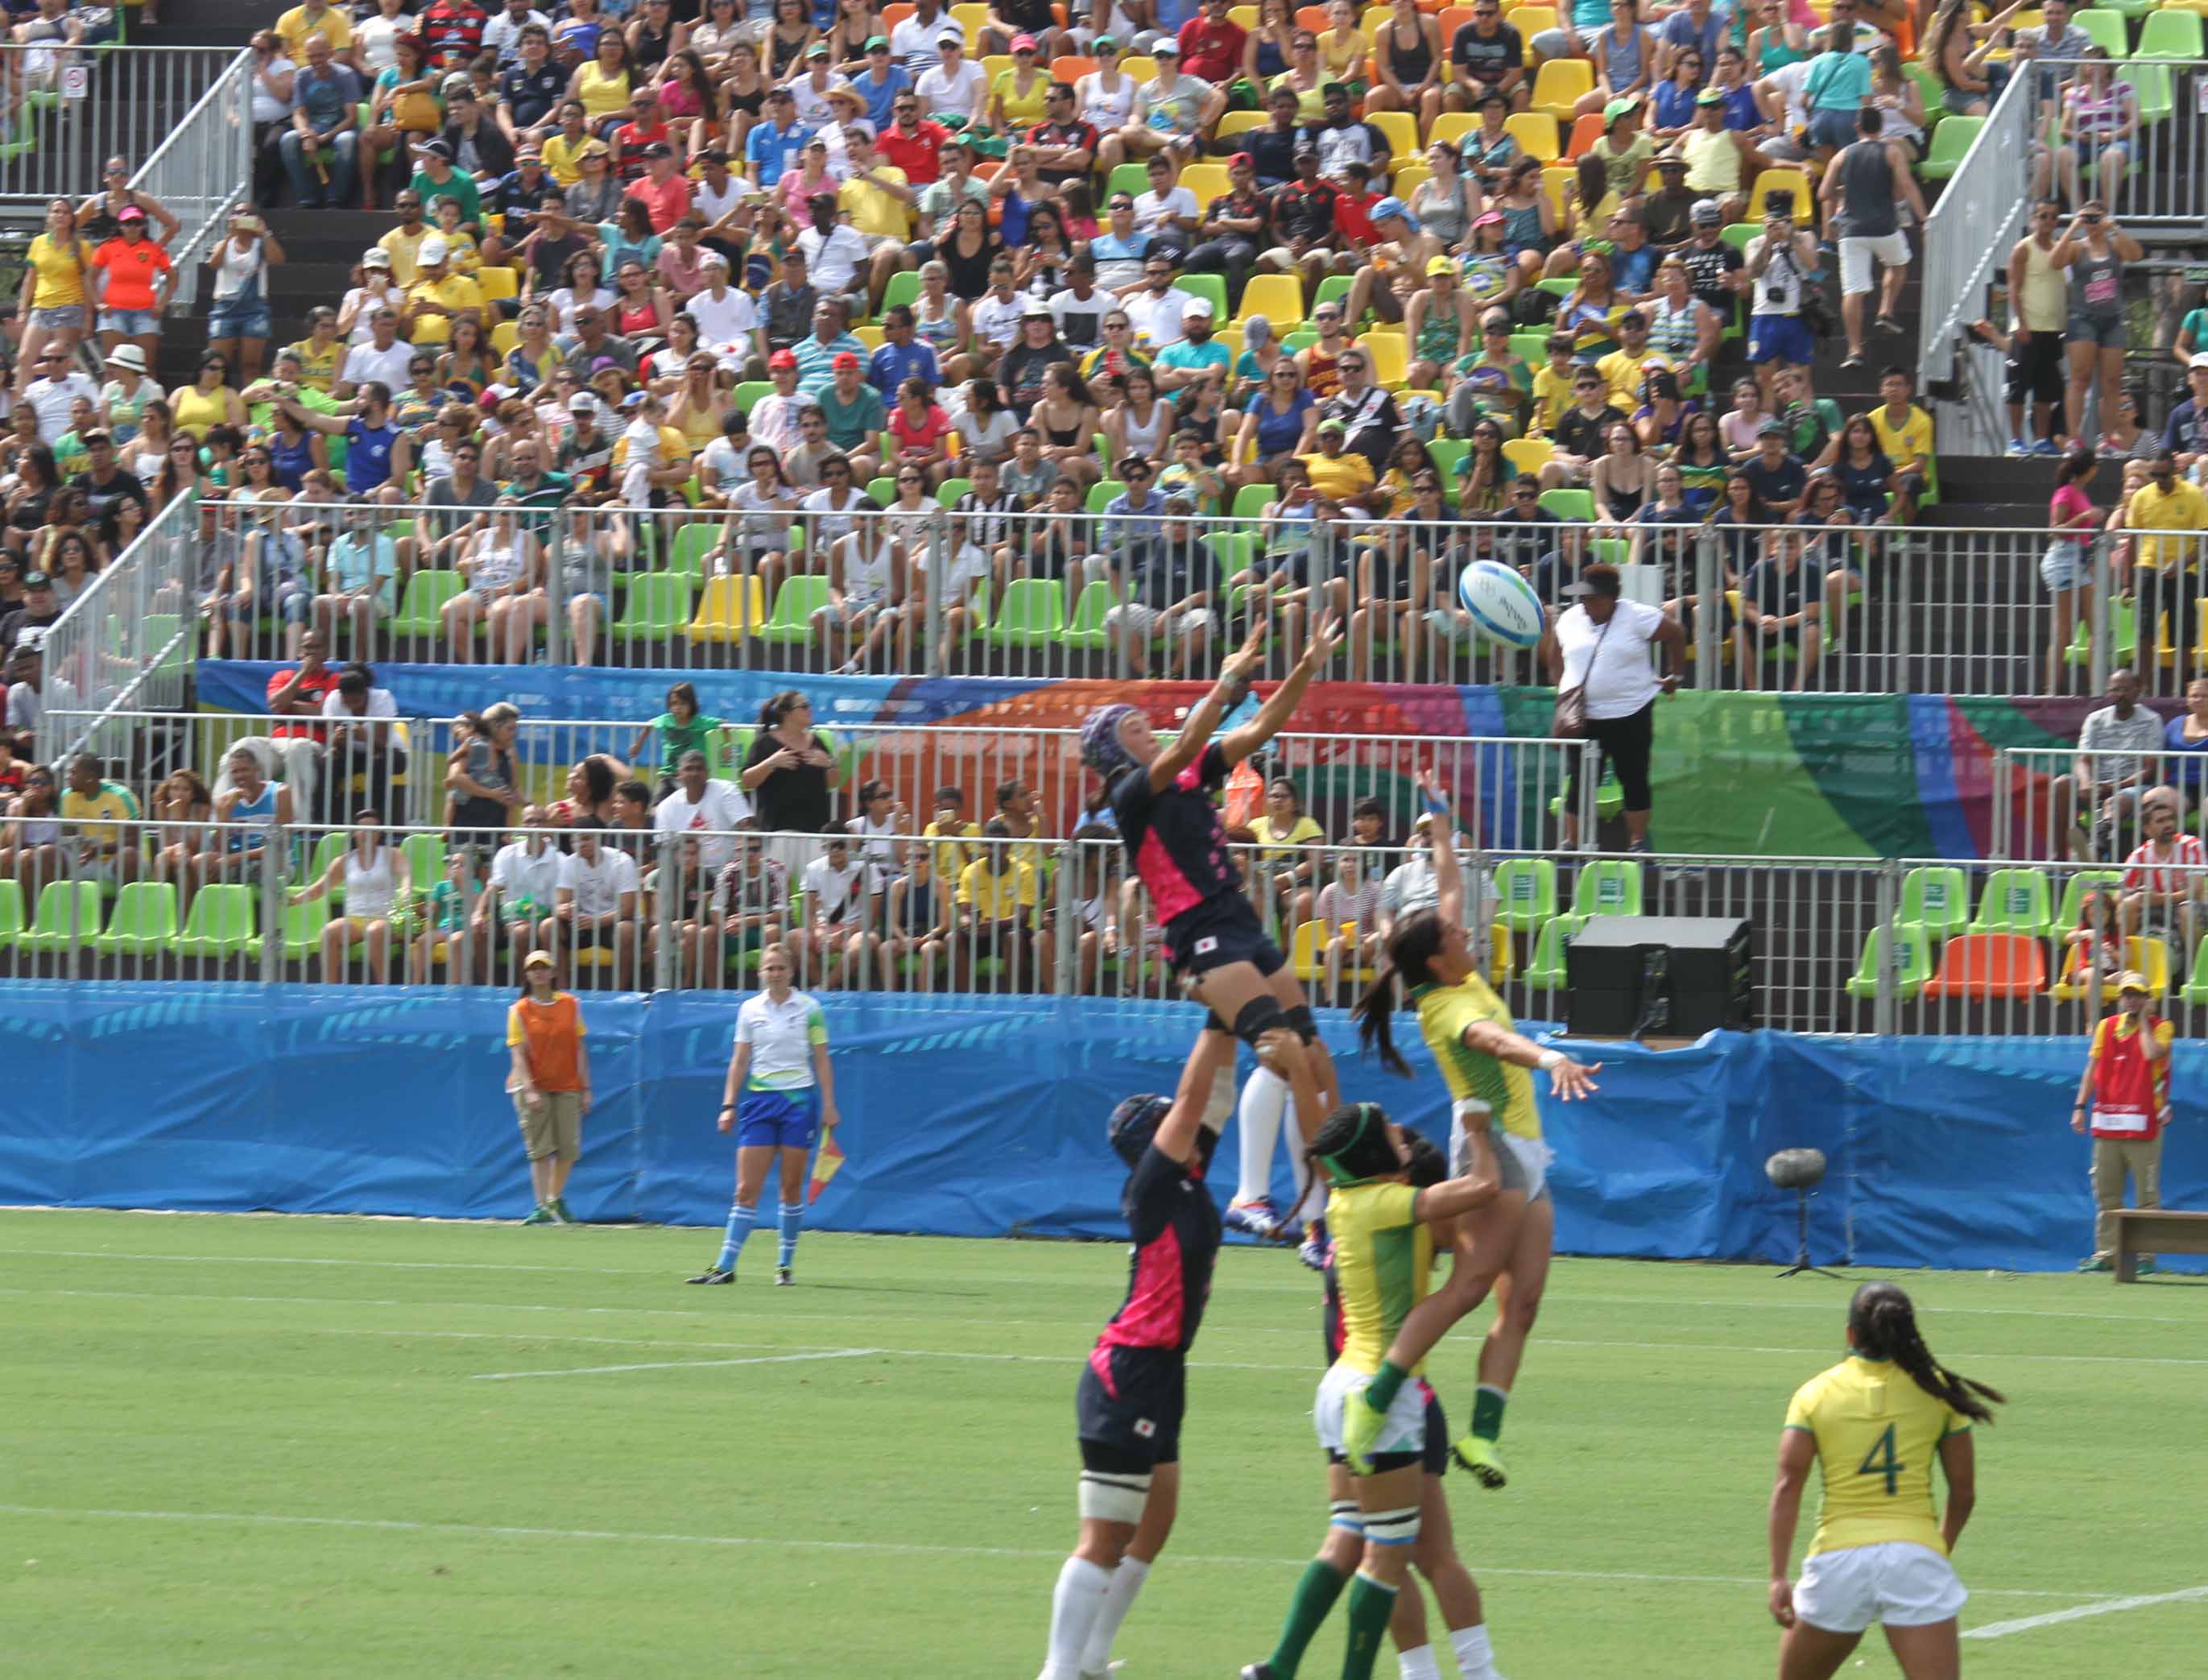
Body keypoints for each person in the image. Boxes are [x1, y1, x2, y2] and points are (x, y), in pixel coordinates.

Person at [1081, 619, 1346, 1241]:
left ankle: (1309, 1217)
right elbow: (1185, 745)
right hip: (1199, 933)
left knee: (1315, 1058)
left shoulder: (1188, 772)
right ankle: (1322, 1215)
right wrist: (1226, 684)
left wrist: (1306, 665)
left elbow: (1258, 730)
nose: (1148, 729)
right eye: (1133, 729)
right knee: (1282, 1055)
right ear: (1117, 753)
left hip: (1239, 921)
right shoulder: (1130, 792)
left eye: (1143, 723)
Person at [1239, 1097, 1504, 1680]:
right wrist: (1480, 1132)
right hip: (1382, 1393)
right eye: (1392, 1134)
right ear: (1377, 1157)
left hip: (1338, 1385)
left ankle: (1285, 1665)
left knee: (1354, 1539)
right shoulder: (1389, 1203)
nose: (1399, 1136)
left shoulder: (1345, 1200)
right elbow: (1484, 1188)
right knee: (1389, 1558)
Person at [1031, 1028, 1237, 1680]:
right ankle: (1059, 1672)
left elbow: (1217, 1095)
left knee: (1159, 1513)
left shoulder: (1185, 1180)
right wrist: (1218, 1015)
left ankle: (1092, 1657)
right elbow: (1195, 1092)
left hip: (1162, 1368)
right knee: (1106, 1535)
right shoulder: (1155, 1182)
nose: (1193, 1125)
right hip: (1129, 1369)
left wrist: (1235, 1024)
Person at [1767, 1282, 2004, 1680]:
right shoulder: (1937, 1391)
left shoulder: (1814, 1394)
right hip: (1915, 1557)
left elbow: (1788, 1486)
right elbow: (1963, 1493)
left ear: (1850, 1334)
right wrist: (1937, 1549)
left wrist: (1777, 1576)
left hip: (1837, 1561)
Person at [688, 941, 840, 1287]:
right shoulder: (750, 1009)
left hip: (798, 1101)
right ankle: (726, 1266)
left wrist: (829, 1104)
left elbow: (822, 1059)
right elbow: (740, 1060)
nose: (775, 974)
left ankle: (784, 1265)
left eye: (780, 968)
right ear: (761, 973)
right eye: (769, 968)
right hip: (759, 1102)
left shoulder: (810, 1009)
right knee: (745, 1188)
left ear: (792, 971)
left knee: (789, 1186)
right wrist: (728, 1104)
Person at [1540, 564, 1683, 853]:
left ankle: (1638, 843)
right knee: (1580, 778)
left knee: (1633, 777)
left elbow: (1676, 634)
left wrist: (1675, 676)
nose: (1587, 603)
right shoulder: (1569, 619)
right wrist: (1564, 688)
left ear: (1611, 598)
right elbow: (1555, 655)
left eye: (1593, 598)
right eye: (1584, 597)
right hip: (1583, 716)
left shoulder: (1636, 615)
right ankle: (1571, 843)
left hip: (1631, 712)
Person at [2071, 970, 2173, 1273]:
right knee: (2107, 1194)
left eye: (2137, 995)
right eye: (2127, 995)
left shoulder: (2162, 1027)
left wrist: (2143, 1020)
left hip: (2144, 1126)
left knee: (2147, 1196)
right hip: (2108, 1124)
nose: (2131, 1000)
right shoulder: (2106, 1027)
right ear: (2121, 998)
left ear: (2146, 1000)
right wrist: (2079, 1106)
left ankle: (2145, 1257)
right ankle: (2107, 1254)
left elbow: (2151, 1052)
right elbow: (2092, 1070)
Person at [1818, 106, 1923, 373]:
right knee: (1898, 265)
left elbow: (1823, 193)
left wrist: (1844, 193)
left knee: (1853, 290)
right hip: (1884, 226)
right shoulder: (1891, 151)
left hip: (1851, 231)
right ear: (1881, 127)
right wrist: (1924, 218)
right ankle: (1885, 311)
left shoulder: (1842, 155)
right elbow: (1906, 186)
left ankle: (1854, 349)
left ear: (1857, 127)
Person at [508, 948, 591, 1225]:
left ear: (553, 972)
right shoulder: (519, 1009)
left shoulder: (570, 1004)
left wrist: (586, 1087)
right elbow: (518, 1053)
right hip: (535, 1086)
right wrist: (529, 1089)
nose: (539, 972)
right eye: (534, 968)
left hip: (567, 1083)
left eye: (544, 967)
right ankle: (542, 1205)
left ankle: (555, 1199)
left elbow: (579, 1047)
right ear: (527, 975)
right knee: (540, 1150)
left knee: (568, 1149)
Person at [2052, 668, 2165, 863]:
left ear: (2138, 690)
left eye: (2125, 689)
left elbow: (2148, 770)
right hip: (2096, 785)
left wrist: (2113, 787)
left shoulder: (2151, 720)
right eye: (2114, 690)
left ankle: (2095, 849)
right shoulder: (2095, 719)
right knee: (2062, 784)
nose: (2119, 694)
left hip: (2132, 787)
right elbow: (2082, 760)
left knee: (2116, 801)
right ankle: (2059, 857)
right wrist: (2087, 783)